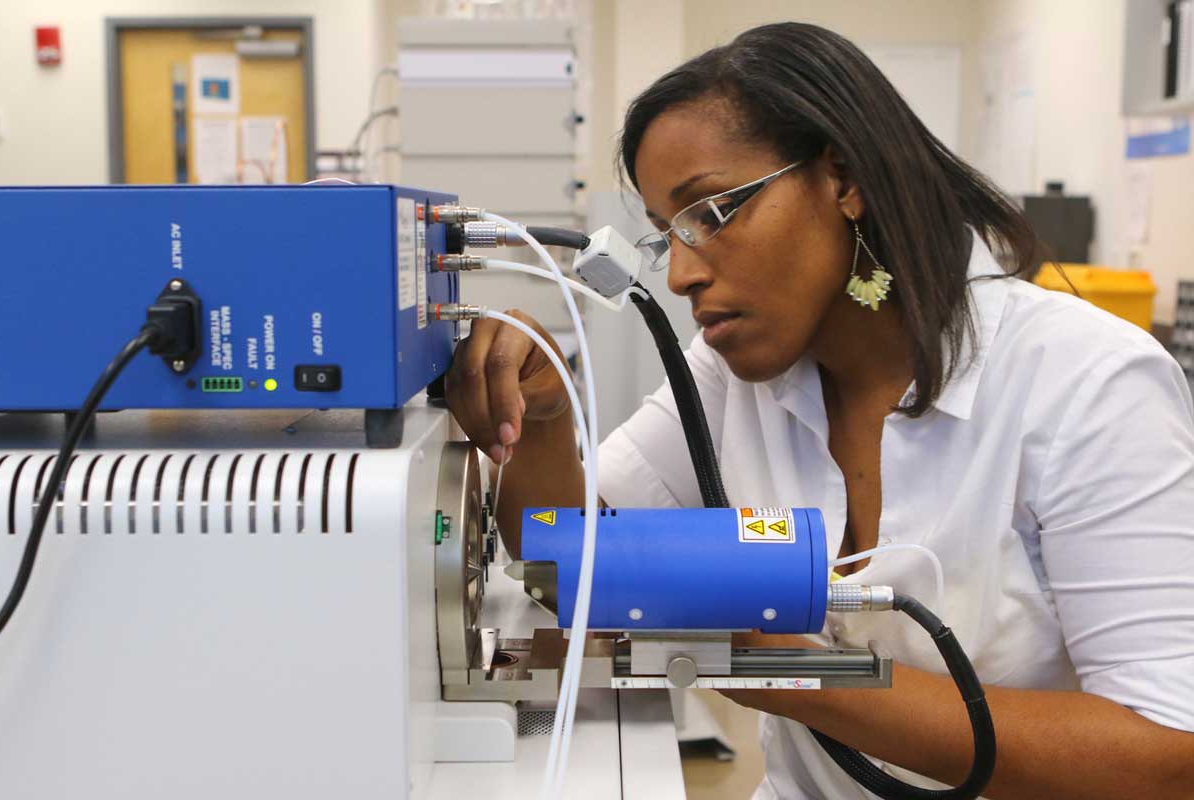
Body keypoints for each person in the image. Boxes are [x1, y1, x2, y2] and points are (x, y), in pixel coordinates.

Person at [445, 22, 1194, 799]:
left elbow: (1169, 756)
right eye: (670, 236)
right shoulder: (738, 375)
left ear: (843, 177)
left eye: (711, 212)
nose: (683, 275)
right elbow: (570, 569)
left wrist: (790, 672)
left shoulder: (1086, 385)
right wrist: (541, 417)